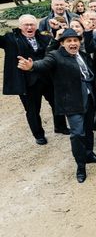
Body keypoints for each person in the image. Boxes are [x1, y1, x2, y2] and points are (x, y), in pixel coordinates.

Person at [17, 29, 96, 183]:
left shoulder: (83, 54)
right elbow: (44, 63)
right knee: (77, 134)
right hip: (72, 102)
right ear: (62, 43)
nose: (73, 43)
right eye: (69, 41)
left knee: (88, 129)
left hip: (89, 98)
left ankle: (89, 154)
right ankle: (80, 166)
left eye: (75, 40)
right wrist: (32, 66)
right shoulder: (56, 56)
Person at [1, 14, 70, 144]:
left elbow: (54, 45)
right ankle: (39, 135)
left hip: (47, 78)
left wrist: (55, 30)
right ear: (20, 26)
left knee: (57, 103)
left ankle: (60, 126)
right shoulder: (10, 39)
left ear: (36, 26)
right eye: (26, 25)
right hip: (27, 82)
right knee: (32, 110)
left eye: (32, 24)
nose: (29, 27)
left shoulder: (43, 37)